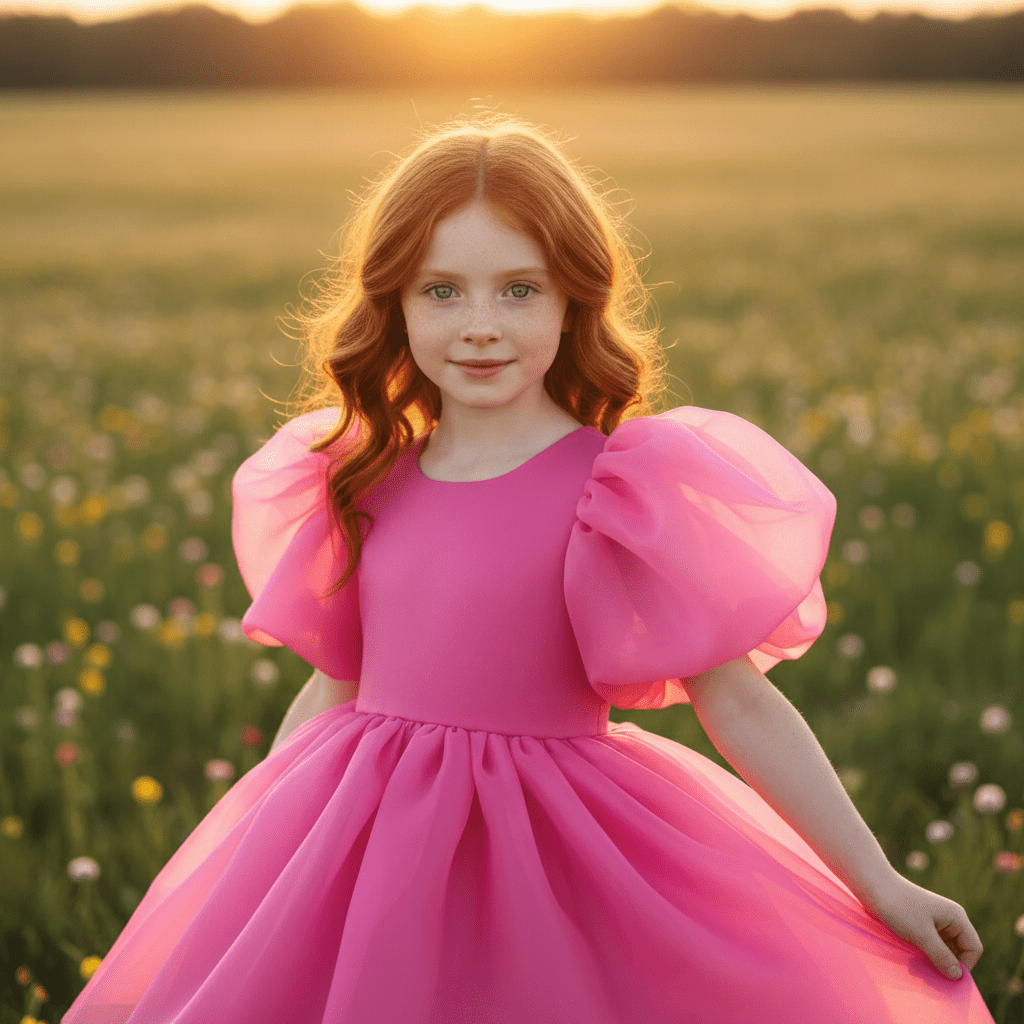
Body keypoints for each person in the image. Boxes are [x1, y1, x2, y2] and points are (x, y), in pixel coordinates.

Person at [63, 114, 993, 1024]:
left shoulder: (618, 492)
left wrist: (877, 881)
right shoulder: (363, 478)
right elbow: (332, 687)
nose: (479, 326)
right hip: (364, 856)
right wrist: (252, 853)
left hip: (552, 858)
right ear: (392, 300)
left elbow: (740, 702)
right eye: (441, 292)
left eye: (518, 290)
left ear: (571, 300)